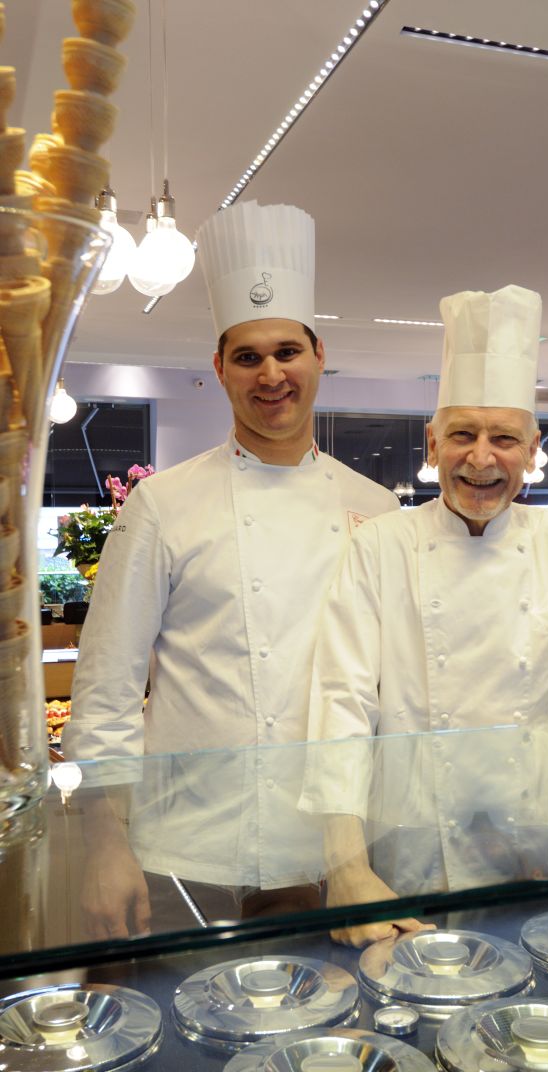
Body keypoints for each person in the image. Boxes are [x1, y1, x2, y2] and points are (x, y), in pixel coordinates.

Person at [301, 284, 548, 946]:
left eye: (504, 438)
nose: (483, 457)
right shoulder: (380, 546)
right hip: (413, 860)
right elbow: (340, 705)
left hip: (547, 849)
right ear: (432, 445)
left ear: (533, 446)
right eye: (462, 434)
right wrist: (345, 869)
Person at [64, 200, 398, 938]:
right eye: (248, 357)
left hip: (345, 848)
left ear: (319, 355)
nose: (270, 374)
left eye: (288, 351)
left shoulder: (376, 508)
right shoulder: (161, 504)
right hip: (191, 846)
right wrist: (102, 844)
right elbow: (107, 685)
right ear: (219, 369)